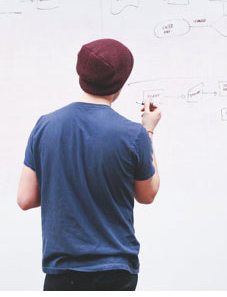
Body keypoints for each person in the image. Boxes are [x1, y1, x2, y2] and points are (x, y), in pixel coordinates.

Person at [17, 38, 161, 291]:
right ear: (121, 82)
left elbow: (25, 199)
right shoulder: (133, 134)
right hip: (115, 270)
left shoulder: (45, 125)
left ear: (81, 74)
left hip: (62, 271)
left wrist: (66, 186)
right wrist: (148, 131)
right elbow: (147, 195)